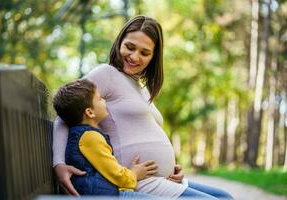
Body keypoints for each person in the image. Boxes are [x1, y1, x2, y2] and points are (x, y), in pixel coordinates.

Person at [53, 15, 233, 199]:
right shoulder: (106, 74)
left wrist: (171, 167)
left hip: (163, 179)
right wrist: (58, 164)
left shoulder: (141, 87)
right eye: (129, 47)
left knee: (225, 196)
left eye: (144, 53)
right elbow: (64, 114)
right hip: (136, 181)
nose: (134, 56)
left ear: (154, 56)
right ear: (119, 42)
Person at [52, 79, 158, 197]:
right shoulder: (90, 137)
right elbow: (115, 174)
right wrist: (135, 174)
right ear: (90, 112)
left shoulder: (85, 135)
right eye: (99, 99)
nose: (104, 100)